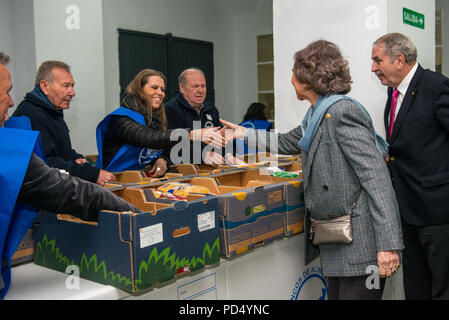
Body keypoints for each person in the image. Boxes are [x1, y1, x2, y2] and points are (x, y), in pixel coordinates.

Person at [221, 40, 404, 300]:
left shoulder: (341, 112)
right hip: (338, 240)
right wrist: (242, 134)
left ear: (309, 77)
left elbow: (376, 179)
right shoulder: (315, 115)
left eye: (294, 73)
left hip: (361, 245)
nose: (291, 80)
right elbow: (286, 141)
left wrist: (388, 245)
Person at [0, 52, 141, 299]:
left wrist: (78, 163)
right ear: (45, 86)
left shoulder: (52, 113)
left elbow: (62, 157)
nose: (11, 102)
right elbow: (65, 188)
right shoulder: (26, 122)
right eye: (5, 92)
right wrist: (138, 216)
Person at [371, 32, 449, 300]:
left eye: (377, 60)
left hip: (439, 214)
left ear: (399, 60)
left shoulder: (435, 86)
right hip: (407, 212)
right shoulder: (394, 93)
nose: (373, 68)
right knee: (415, 288)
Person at [96, 69, 225, 174]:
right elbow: (147, 137)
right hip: (114, 181)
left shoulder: (155, 117)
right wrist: (191, 134)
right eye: (154, 87)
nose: (160, 93)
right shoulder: (121, 118)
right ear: (139, 89)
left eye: (162, 89)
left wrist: (162, 159)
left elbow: (157, 149)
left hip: (138, 179)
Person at [13, 60, 115, 186]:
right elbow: (45, 162)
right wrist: (91, 174)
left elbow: (60, 151)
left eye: (72, 86)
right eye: (66, 86)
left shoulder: (52, 111)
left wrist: (76, 158)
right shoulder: (30, 114)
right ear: (45, 86)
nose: (72, 93)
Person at [165, 68, 240, 166]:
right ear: (182, 88)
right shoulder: (170, 110)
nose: (200, 90)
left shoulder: (211, 110)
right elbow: (171, 147)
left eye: (203, 86)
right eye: (195, 86)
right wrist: (203, 155)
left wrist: (228, 155)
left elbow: (221, 140)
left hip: (212, 170)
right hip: (184, 172)